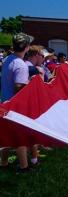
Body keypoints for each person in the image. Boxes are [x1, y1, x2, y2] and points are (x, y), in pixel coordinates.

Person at [0, 33, 33, 172]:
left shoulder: (8, 59)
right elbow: (19, 88)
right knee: (20, 137)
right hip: (14, 106)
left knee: (5, 135)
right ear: (26, 47)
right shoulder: (21, 65)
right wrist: (32, 83)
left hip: (4, 103)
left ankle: (4, 162)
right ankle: (24, 167)